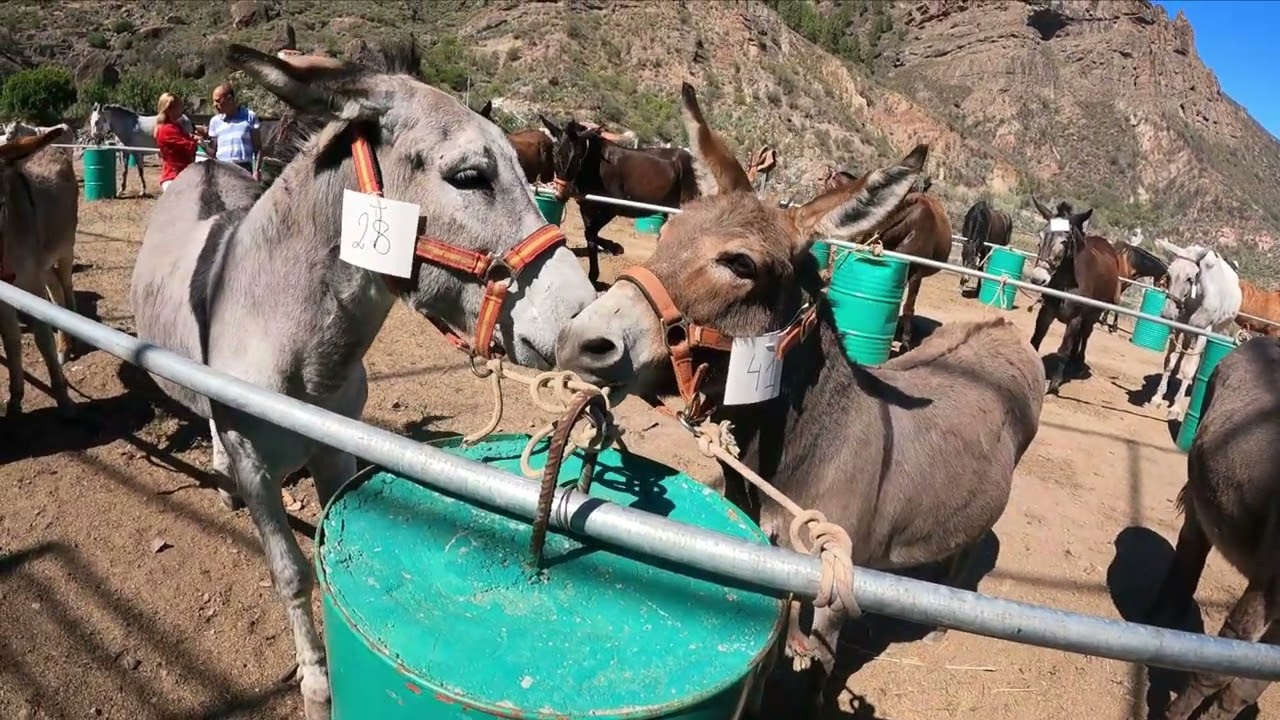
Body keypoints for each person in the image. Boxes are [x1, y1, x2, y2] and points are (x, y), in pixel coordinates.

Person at [153, 92, 206, 193]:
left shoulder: (175, 126)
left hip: (182, 175)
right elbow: (187, 147)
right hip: (174, 177)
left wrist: (191, 138)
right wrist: (195, 141)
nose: (181, 109)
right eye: (178, 107)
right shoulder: (166, 130)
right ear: (169, 109)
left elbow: (185, 140)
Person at [207, 83, 262, 179]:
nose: (215, 105)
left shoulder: (249, 116)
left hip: (244, 170)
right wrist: (202, 144)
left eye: (218, 101)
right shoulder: (215, 122)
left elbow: (258, 148)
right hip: (222, 170)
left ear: (229, 99)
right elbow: (212, 152)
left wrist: (256, 171)